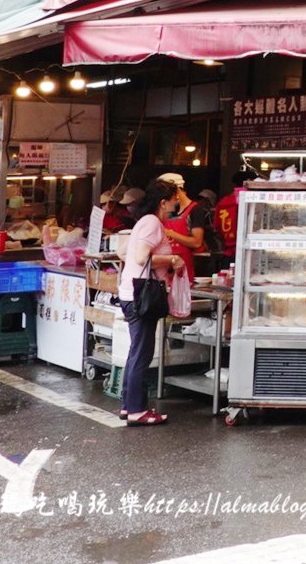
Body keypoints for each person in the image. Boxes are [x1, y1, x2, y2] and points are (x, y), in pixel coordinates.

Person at [118, 178, 185, 426]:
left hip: (130, 293)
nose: (176, 203)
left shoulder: (144, 223)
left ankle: (128, 405)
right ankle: (136, 410)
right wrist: (171, 260)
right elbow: (141, 256)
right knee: (141, 353)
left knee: (137, 351)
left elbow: (123, 253)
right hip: (140, 296)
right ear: (162, 202)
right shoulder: (152, 223)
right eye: (174, 199)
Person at [157, 173, 206, 282]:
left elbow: (197, 242)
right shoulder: (167, 210)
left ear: (176, 190)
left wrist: (170, 233)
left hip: (185, 267)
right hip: (166, 267)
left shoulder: (195, 210)